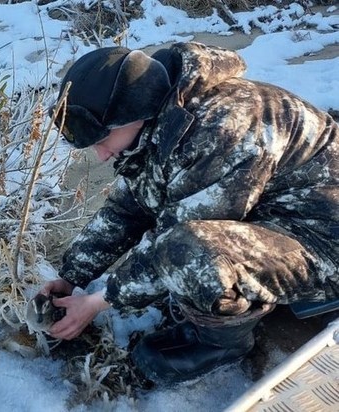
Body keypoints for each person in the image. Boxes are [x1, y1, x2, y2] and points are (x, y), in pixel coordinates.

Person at [40, 42, 339, 383]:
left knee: (188, 251)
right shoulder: (165, 118)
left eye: (102, 139)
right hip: (275, 215)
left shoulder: (222, 130)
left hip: (324, 242)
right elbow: (130, 206)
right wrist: (71, 276)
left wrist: (99, 301)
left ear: (134, 111)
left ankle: (221, 344)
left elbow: (172, 247)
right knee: (176, 242)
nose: (100, 155)